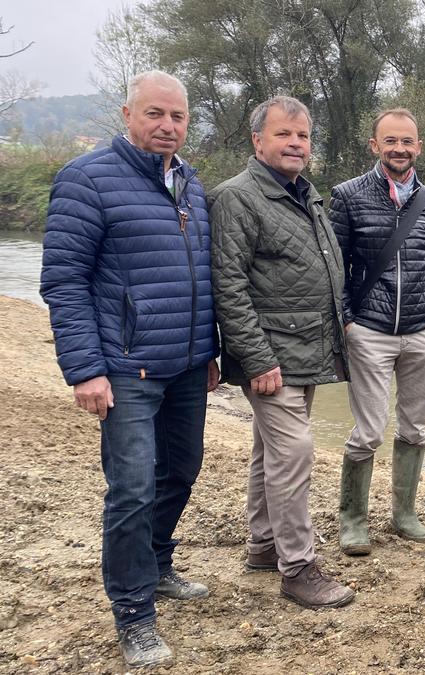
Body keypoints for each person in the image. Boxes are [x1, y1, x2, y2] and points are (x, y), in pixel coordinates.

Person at [39, 70, 219, 668]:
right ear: (127, 114)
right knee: (133, 489)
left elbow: (201, 277)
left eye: (178, 117)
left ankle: (160, 563)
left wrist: (210, 349)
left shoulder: (190, 184)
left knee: (183, 471)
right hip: (124, 368)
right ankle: (135, 613)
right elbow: (64, 282)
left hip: (189, 365)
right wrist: (85, 369)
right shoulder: (86, 179)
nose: (168, 126)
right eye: (156, 114)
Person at [209, 95, 355, 610]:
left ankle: (264, 545)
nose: (296, 143)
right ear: (257, 141)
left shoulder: (304, 195)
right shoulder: (238, 198)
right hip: (271, 355)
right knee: (294, 454)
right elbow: (228, 286)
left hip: (307, 348)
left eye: (304, 136)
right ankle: (298, 568)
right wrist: (257, 358)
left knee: (270, 451)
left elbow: (322, 271)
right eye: (284, 134)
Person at [330, 108, 425, 554]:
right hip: (370, 331)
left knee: (415, 429)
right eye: (391, 141)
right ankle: (353, 521)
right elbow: (336, 267)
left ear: (418, 146)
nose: (399, 149)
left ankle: (404, 515)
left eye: (407, 141)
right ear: (374, 145)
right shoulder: (346, 196)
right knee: (367, 432)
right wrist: (348, 321)